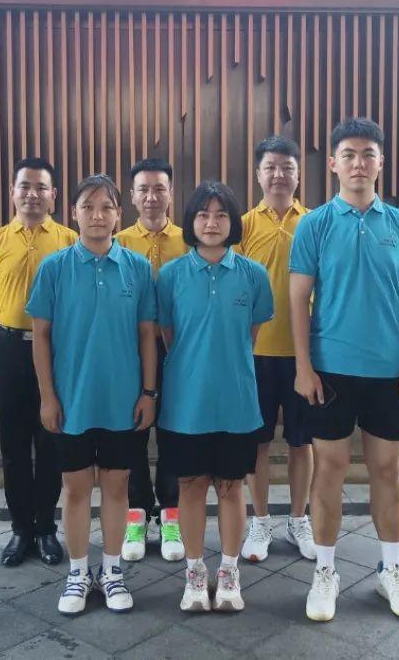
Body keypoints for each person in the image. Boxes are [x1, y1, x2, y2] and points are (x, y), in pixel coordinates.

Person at [289, 117, 399, 622]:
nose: (358, 163)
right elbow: (298, 297)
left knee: (387, 470)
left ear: (381, 162)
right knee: (328, 469)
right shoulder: (314, 224)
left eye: (368, 154)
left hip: (389, 372)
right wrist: (304, 367)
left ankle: (391, 569)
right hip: (330, 371)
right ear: (332, 163)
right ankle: (325, 571)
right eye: (348, 154)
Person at [26, 173, 158, 616]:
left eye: (106, 207)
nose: (97, 215)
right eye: (88, 206)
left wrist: (148, 392)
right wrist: (48, 396)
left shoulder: (137, 268)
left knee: (118, 487)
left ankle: (112, 570)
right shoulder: (54, 268)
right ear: (73, 213)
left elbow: (147, 335)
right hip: (72, 401)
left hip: (123, 401)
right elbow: (41, 336)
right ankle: (79, 572)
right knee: (76, 488)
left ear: (120, 213)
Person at [156, 181, 274, 613]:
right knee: (190, 487)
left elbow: (250, 335)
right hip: (184, 404)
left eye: (221, 214)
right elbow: (169, 336)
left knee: (230, 487)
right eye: (203, 214)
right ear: (191, 221)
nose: (211, 222)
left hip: (236, 402)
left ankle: (228, 572)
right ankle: (193, 574)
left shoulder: (254, 275)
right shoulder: (170, 276)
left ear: (233, 222)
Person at [0, 158, 76, 567]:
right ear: (13, 192)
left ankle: (46, 529)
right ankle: (21, 528)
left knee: (51, 441)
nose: (32, 194)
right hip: (6, 348)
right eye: (25, 186)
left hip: (55, 350)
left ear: (53, 196)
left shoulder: (70, 240)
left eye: (41, 187)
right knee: (13, 445)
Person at [236, 136, 316, 564]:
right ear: (257, 174)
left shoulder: (316, 222)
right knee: (259, 443)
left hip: (306, 355)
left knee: (303, 443)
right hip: (256, 354)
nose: (279, 175)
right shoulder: (243, 225)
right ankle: (261, 520)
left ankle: (299, 519)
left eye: (287, 167)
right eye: (270, 167)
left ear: (299, 174)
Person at [115, 158, 187, 563]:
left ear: (170, 193)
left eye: (159, 188)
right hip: (129, 351)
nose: (151, 197)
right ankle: (137, 514)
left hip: (178, 351)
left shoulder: (189, 240)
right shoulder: (118, 241)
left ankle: (171, 513)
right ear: (132, 196)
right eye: (143, 189)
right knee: (133, 434)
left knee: (174, 433)